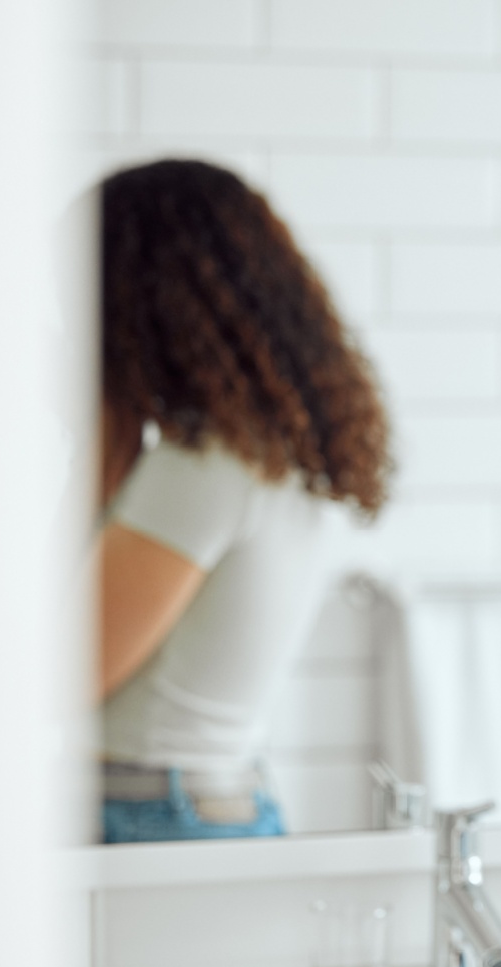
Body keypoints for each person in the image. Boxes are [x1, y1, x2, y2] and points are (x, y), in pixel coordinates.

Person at [95, 159, 390, 844]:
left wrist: (99, 431)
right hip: (207, 803)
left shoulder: (199, 466)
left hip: (146, 813)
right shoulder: (270, 453)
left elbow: (60, 671)